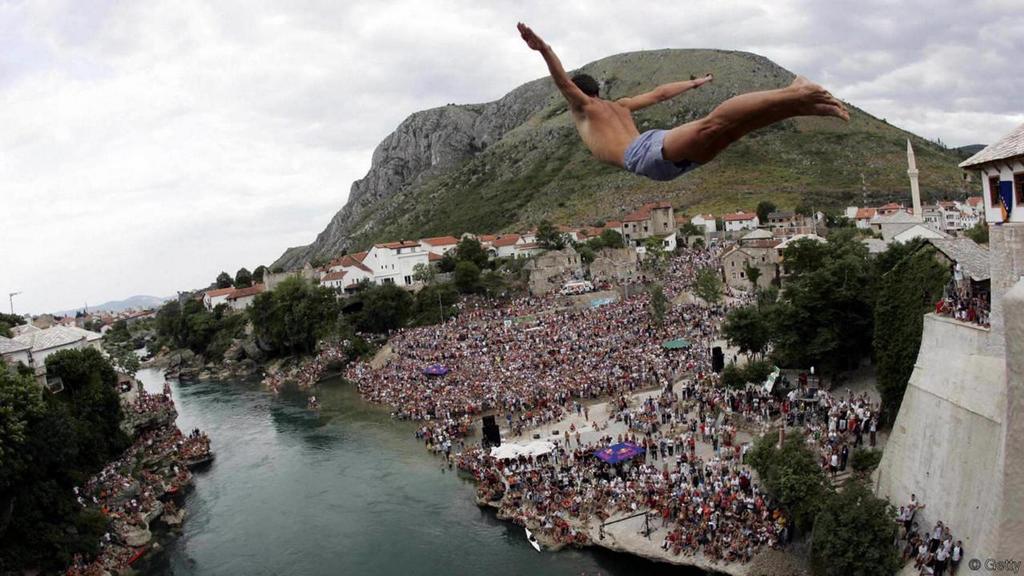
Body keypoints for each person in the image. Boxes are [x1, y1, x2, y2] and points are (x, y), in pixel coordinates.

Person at [517, 22, 848, 182]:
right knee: (730, 132)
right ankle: (798, 104)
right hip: (657, 161)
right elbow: (661, 93)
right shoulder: (619, 105)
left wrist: (544, 50)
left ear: (580, 95)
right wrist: (693, 83)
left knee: (714, 125)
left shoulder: (584, 109)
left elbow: (562, 81)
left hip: (642, 155)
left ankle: (793, 92)